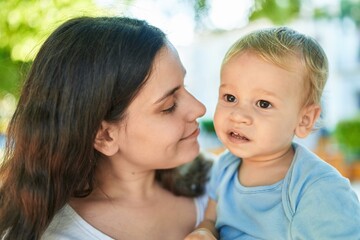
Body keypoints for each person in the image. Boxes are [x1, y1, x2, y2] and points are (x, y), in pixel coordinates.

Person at [0, 16, 213, 240]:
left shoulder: (219, 182)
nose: (199, 108)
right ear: (105, 136)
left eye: (185, 86)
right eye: (168, 106)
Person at [185, 27, 360, 240]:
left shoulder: (318, 188)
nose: (239, 115)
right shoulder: (224, 169)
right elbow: (211, 220)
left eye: (263, 103)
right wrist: (204, 232)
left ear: (304, 120)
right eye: (230, 98)